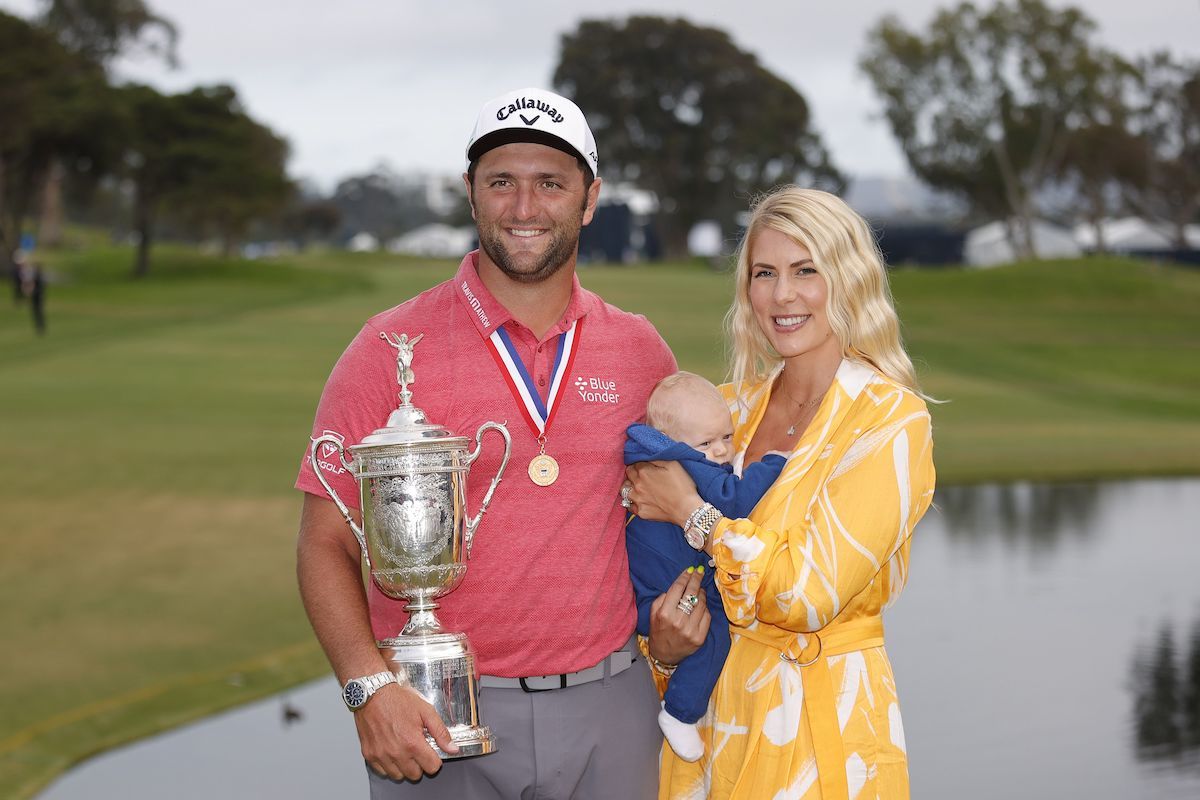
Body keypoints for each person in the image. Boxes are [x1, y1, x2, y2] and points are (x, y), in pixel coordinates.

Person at [294, 87, 696, 799]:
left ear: (590, 199)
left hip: (612, 705)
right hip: (436, 716)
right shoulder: (388, 347)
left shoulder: (639, 351)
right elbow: (326, 541)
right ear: (470, 193)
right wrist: (365, 686)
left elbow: (676, 506)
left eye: (551, 184)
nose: (524, 207)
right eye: (502, 181)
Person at [626, 186, 936, 800]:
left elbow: (805, 594)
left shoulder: (889, 421)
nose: (782, 294)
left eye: (805, 271)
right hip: (708, 725)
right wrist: (663, 648)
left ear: (848, 279)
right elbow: (646, 542)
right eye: (764, 273)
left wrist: (691, 512)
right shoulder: (728, 410)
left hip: (820, 734)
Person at [623, 371, 787, 762]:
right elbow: (733, 502)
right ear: (672, 438)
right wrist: (774, 464)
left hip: (644, 585)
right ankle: (680, 713)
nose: (721, 451)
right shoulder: (687, 462)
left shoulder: (656, 454)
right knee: (715, 634)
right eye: (707, 442)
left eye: (727, 437)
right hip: (676, 578)